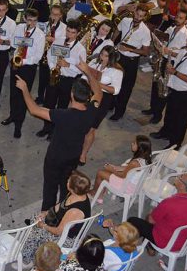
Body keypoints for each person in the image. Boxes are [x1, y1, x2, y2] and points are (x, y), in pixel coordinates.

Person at [15, 67, 102, 210]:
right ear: (88, 97)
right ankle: (63, 210)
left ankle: (47, 216)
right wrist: (88, 71)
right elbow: (98, 92)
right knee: (66, 187)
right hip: (74, 156)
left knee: (50, 188)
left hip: (55, 158)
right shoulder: (92, 110)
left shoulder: (63, 115)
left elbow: (34, 109)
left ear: (72, 94)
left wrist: (24, 89)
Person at [152, 35, 187, 148]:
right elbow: (178, 60)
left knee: (181, 119)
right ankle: (165, 133)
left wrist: (174, 72)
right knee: (170, 113)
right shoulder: (184, 51)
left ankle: (175, 143)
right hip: (175, 88)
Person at [21, 171, 91, 261]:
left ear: (73, 189)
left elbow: (58, 232)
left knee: (35, 234)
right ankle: (35, 246)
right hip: (59, 223)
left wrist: (43, 226)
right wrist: (46, 213)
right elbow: (60, 205)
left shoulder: (75, 211)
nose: (67, 181)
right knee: (36, 217)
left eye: (68, 181)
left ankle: (26, 260)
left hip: (67, 239)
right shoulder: (75, 194)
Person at [125, 174, 187, 252]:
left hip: (165, 242)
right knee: (152, 221)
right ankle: (150, 245)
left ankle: (125, 245)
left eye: (180, 178)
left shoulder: (169, 202)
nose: (178, 177)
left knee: (133, 220)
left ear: (182, 186)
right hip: (184, 241)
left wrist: (153, 212)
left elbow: (151, 220)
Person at [143, 6, 187, 125]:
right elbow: (165, 40)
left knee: (163, 88)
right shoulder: (171, 28)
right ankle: (152, 108)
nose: (177, 19)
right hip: (162, 59)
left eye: (181, 18)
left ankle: (158, 114)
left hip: (171, 62)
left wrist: (170, 52)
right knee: (155, 83)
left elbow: (184, 54)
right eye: (177, 17)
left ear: (185, 21)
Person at [2, 8, 45, 138]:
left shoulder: (39, 35)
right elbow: (14, 42)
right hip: (16, 63)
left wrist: (24, 61)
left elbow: (37, 57)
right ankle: (12, 116)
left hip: (28, 67)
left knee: (23, 96)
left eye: (35, 21)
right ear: (25, 19)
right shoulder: (19, 27)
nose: (32, 23)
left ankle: (19, 124)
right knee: (13, 93)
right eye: (29, 20)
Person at [39, 19, 86, 137]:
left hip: (67, 80)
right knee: (48, 103)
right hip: (54, 75)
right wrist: (52, 68)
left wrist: (68, 65)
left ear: (78, 33)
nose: (69, 35)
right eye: (68, 31)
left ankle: (55, 131)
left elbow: (82, 69)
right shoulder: (59, 40)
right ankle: (46, 127)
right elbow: (50, 54)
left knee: (62, 106)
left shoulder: (80, 49)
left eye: (73, 33)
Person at [79, 46, 124, 165]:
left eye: (105, 56)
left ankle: (83, 154)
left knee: (91, 128)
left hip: (103, 99)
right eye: (101, 54)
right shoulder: (94, 62)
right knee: (80, 122)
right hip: (87, 94)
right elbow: (84, 76)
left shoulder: (117, 71)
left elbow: (116, 90)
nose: (102, 57)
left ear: (112, 58)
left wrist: (97, 84)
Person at [110, 4, 152, 121]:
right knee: (113, 80)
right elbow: (117, 30)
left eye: (141, 16)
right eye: (137, 14)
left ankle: (119, 112)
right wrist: (111, 43)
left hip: (131, 61)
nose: (138, 18)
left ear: (144, 17)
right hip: (119, 56)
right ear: (134, 12)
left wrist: (130, 49)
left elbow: (145, 52)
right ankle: (110, 105)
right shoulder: (125, 21)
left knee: (126, 88)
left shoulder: (145, 31)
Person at [37, 5, 68, 104]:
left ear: (61, 16)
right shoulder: (44, 25)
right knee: (42, 78)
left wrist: (53, 40)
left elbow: (65, 43)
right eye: (52, 14)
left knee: (52, 80)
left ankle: (49, 99)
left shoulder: (65, 28)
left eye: (57, 15)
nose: (54, 17)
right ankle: (40, 96)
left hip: (55, 57)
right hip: (44, 55)